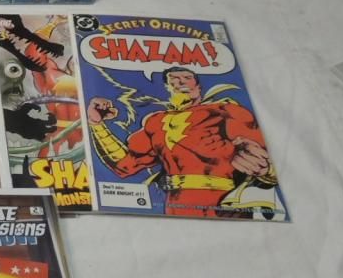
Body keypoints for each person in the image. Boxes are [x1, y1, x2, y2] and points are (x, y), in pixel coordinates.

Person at [87, 66, 278, 217]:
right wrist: (96, 124)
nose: (181, 82)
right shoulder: (155, 122)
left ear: (198, 86)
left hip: (225, 204)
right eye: (174, 79)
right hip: (174, 208)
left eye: (187, 77)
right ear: (166, 88)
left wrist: (266, 170)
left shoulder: (225, 111)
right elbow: (124, 166)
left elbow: (265, 157)